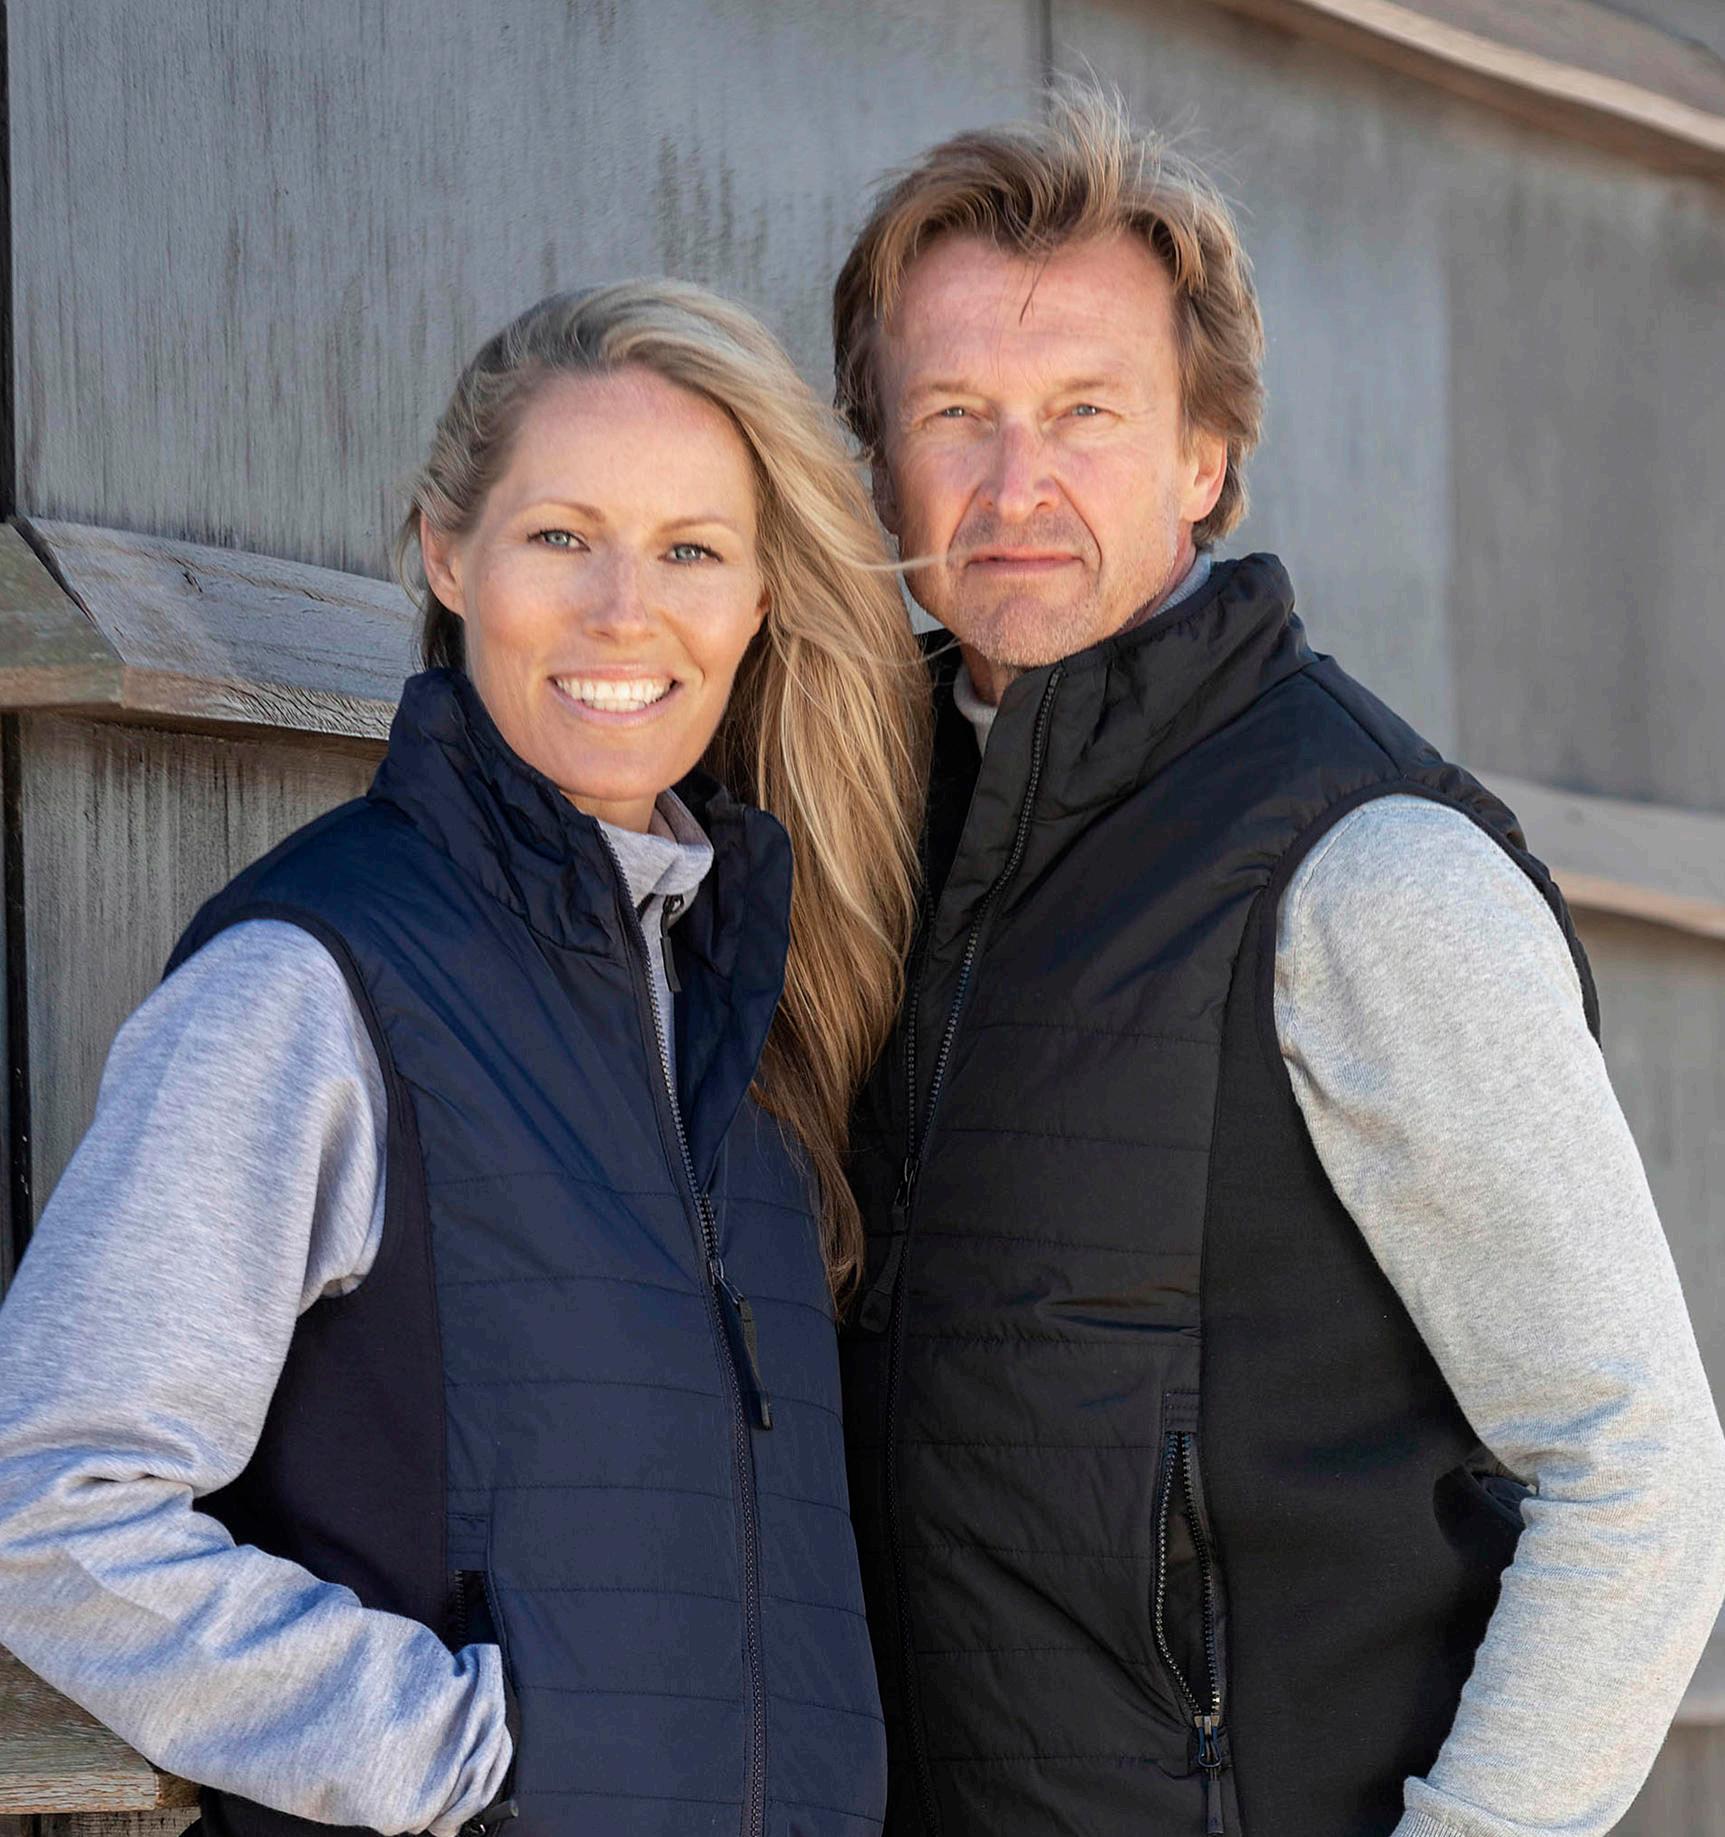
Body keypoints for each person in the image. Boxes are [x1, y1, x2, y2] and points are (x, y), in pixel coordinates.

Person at [831, 87, 1725, 1837]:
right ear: (876, 458)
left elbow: (1636, 1470)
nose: (1013, 486)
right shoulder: (857, 834)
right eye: (953, 414)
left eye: (1085, 412)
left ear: (1205, 456)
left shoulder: (1365, 869)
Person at [0, 281, 930, 1837]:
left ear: (762, 594)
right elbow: (45, 1495)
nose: (623, 608)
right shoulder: (313, 980)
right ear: (448, 553)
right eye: (561, 535)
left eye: (691, 549)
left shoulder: (757, 1009)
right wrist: (462, 1755)